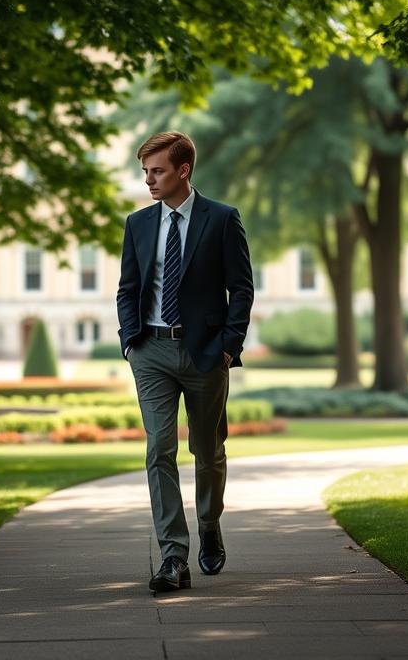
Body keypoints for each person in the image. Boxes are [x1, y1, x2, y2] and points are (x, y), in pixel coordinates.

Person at [116, 131, 254, 594]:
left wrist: (229, 346)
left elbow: (242, 288)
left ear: (183, 170)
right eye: (145, 172)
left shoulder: (222, 219)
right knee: (159, 449)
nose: (149, 180)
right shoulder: (137, 224)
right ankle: (173, 556)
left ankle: (209, 524)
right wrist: (129, 340)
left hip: (205, 354)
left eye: (156, 170)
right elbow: (128, 289)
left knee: (208, 451)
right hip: (150, 350)